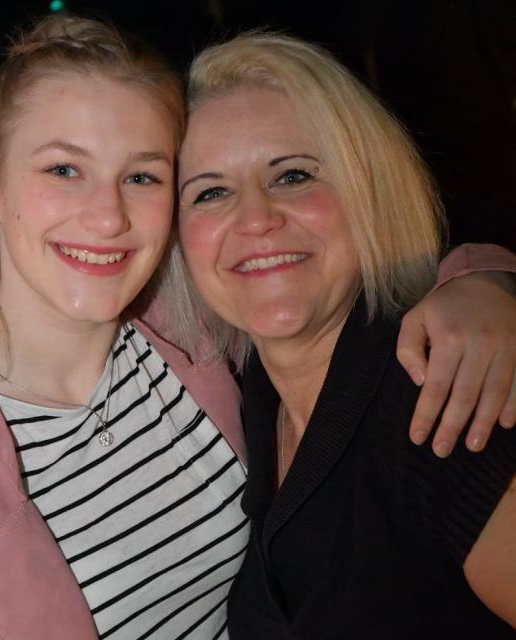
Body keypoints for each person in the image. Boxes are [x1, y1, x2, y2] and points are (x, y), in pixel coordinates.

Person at [0, 15, 514, 640]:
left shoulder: (204, 333)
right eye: (64, 169)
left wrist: (481, 279)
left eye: (142, 176)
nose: (107, 216)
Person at [177, 32, 516, 638]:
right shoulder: (244, 401)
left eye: (292, 176)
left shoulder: (441, 399)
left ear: (368, 189)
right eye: (212, 192)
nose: (255, 219)